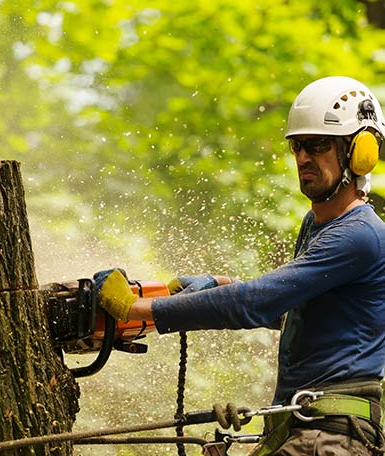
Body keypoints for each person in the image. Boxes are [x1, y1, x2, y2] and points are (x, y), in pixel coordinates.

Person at [95, 76, 385, 455]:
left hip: (330, 437)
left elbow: (256, 303)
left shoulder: (359, 235)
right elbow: (297, 309)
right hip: (305, 428)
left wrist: (136, 309)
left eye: (317, 145)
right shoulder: (317, 224)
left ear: (358, 151)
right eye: (297, 146)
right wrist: (220, 285)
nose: (302, 158)